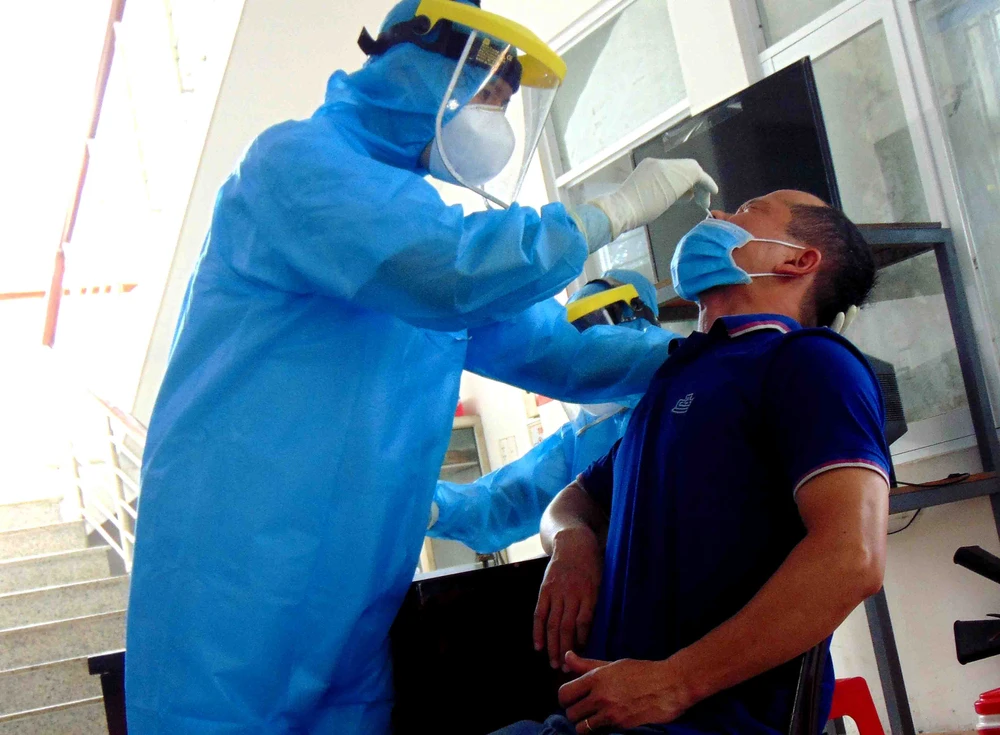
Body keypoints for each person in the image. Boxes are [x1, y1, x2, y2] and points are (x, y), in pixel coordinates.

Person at [125, 0, 718, 732]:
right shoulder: (293, 164)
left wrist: (720, 347)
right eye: (489, 92)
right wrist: (612, 211)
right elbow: (453, 270)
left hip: (352, 603)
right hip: (230, 581)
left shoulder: (417, 222)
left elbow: (564, 353)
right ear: (421, 65)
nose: (495, 119)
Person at [499, 190, 892, 735]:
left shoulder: (808, 360)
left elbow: (853, 557)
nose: (717, 216)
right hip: (602, 717)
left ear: (797, 261)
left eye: (747, 211)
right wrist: (572, 543)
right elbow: (575, 500)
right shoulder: (676, 381)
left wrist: (676, 682)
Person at [428, 270, 679, 554]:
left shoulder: (689, 391)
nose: (583, 354)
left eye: (594, 327)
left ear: (637, 316)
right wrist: (434, 507)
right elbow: (506, 500)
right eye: (572, 337)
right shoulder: (580, 439)